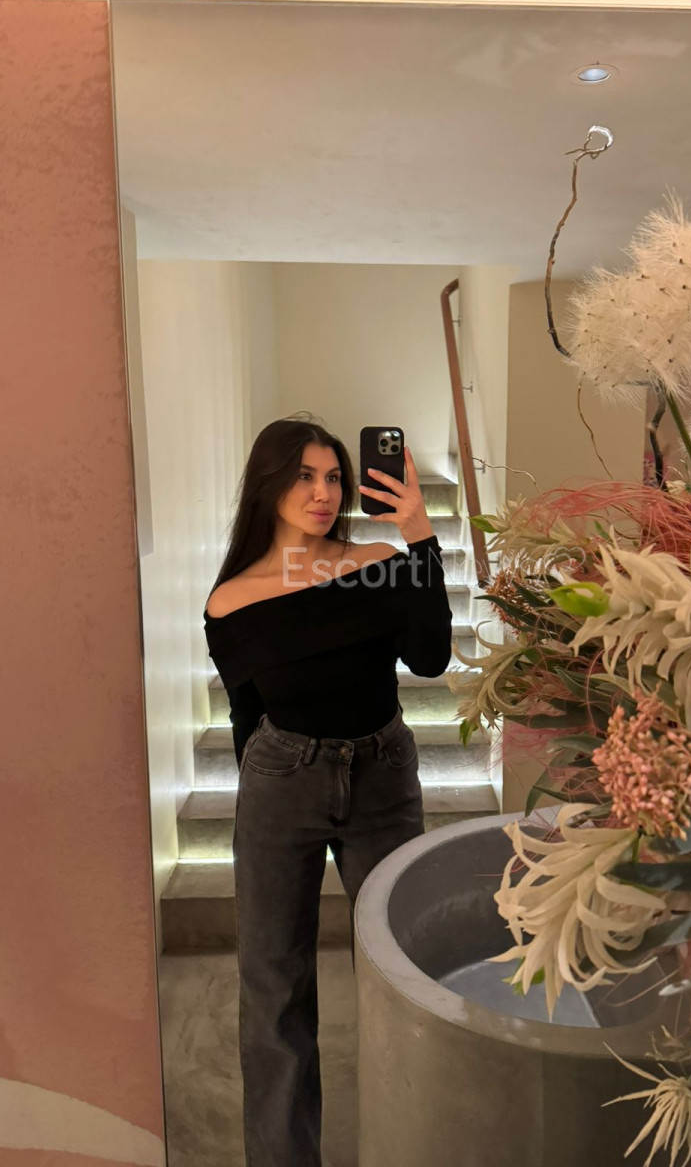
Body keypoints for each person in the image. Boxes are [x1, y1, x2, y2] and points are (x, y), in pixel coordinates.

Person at [203, 417, 453, 1167]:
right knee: (274, 988)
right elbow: (247, 715)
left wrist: (419, 534)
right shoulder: (232, 602)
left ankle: (413, 1146)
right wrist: (262, 796)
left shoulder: (376, 565)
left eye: (334, 477)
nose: (323, 492)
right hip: (282, 781)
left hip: (382, 774)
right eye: (304, 476)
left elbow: (432, 657)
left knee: (403, 968)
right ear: (269, 485)